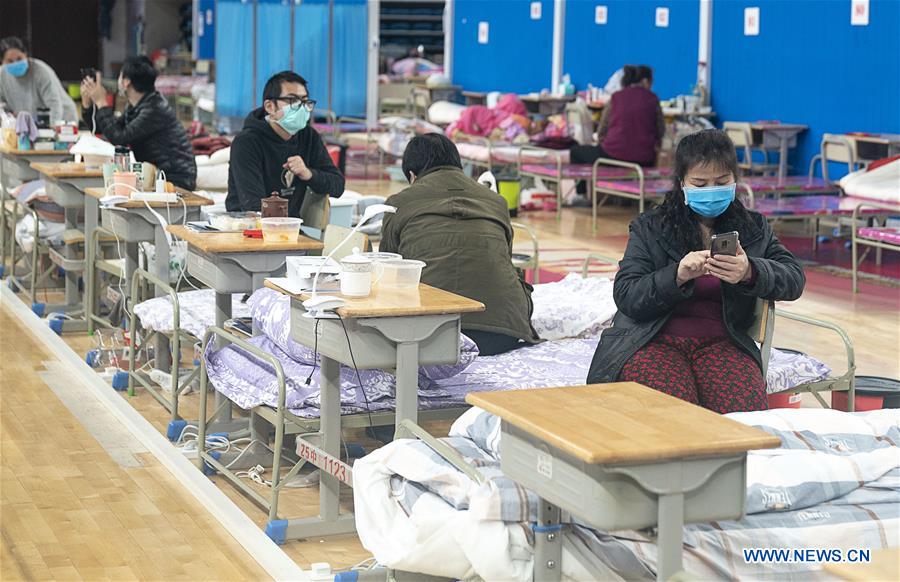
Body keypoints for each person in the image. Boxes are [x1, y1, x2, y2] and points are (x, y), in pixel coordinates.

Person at [586, 129, 805, 414]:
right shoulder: (651, 227)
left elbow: (793, 279)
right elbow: (627, 295)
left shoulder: (753, 229)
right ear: (682, 184)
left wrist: (750, 271)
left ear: (735, 181)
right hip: (651, 340)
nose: (711, 191)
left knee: (743, 423)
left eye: (721, 182)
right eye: (700, 184)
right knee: (679, 416)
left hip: (724, 343)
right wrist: (676, 275)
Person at [380, 133, 540, 356]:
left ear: (412, 175)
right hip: (503, 333)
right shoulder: (496, 201)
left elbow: (388, 266)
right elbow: (505, 257)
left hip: (429, 335)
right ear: (458, 164)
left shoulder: (399, 202)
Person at [226, 71, 344, 216]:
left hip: (290, 228)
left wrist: (308, 174)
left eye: (305, 101)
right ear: (270, 107)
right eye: (292, 101)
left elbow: (338, 186)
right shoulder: (247, 142)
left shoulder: (308, 136)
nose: (301, 108)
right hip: (247, 228)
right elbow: (253, 206)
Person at [80, 56, 196, 190]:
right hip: (156, 176)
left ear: (126, 82)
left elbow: (119, 138)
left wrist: (101, 102)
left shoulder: (154, 109)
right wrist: (87, 103)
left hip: (174, 180)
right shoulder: (138, 106)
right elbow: (106, 130)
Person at [571, 64, 665, 169]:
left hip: (613, 157)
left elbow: (602, 130)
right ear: (645, 81)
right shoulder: (653, 98)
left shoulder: (616, 97)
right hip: (645, 160)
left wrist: (604, 144)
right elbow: (660, 131)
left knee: (575, 152)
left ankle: (584, 186)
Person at [0, 36, 78, 123]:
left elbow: (55, 105)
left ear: (25, 55)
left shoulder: (40, 71)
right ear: (2, 61)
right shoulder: (2, 75)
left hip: (62, 120)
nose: (15, 63)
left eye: (19, 59)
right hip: (31, 124)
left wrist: (50, 130)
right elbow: (2, 104)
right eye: (10, 61)